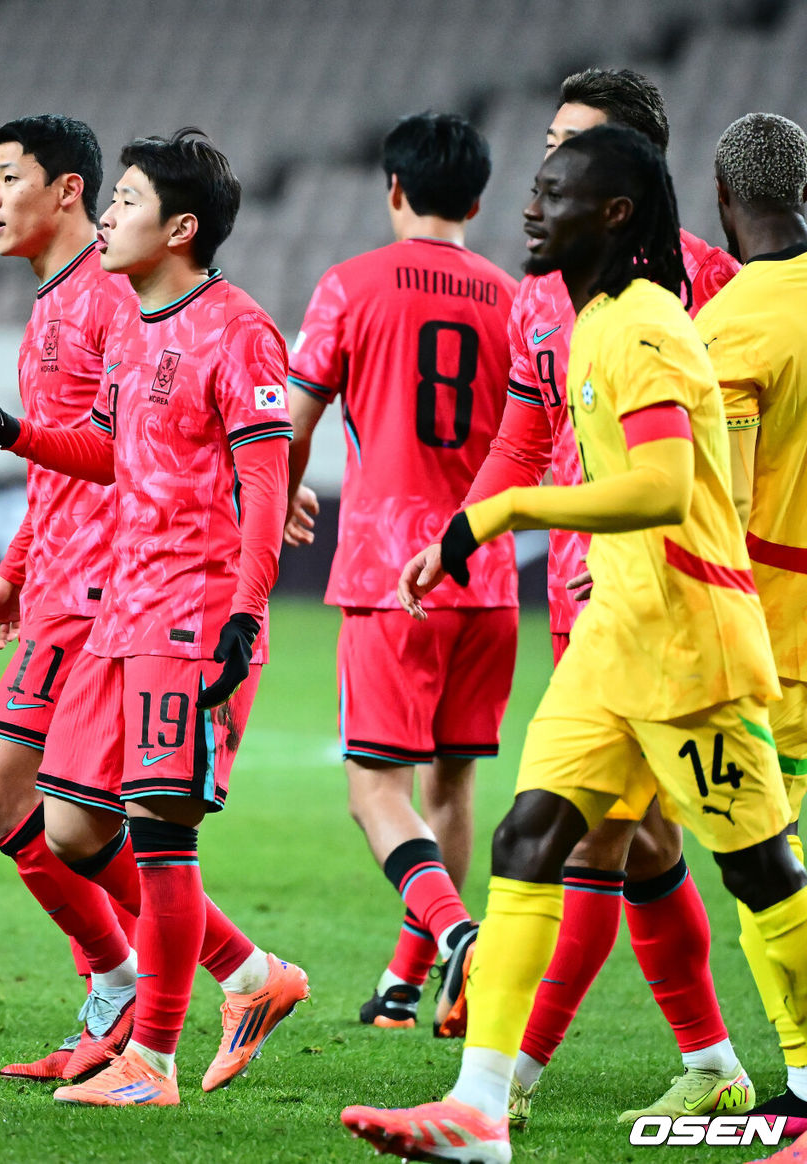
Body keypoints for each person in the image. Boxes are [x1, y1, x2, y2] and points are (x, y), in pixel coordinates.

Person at [341, 123, 807, 1164]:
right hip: (615, 638)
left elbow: (663, 485)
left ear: (614, 216)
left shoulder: (644, 325)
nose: (528, 208)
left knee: (761, 872)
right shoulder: (586, 318)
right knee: (527, 840)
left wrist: (501, 518)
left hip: (688, 643)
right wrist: (466, 523)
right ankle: (477, 1109)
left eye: (553, 192)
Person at [0, 128, 308, 1107]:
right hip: (119, 604)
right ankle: (250, 979)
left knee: (150, 833)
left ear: (175, 225)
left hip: (180, 610)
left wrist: (245, 611)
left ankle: (151, 1059)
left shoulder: (226, 326)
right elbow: (111, 455)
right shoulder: (136, 323)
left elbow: (260, 479)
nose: (106, 222)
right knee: (76, 829)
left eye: (123, 202)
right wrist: (4, 435)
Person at [448, 68, 747, 1127]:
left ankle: (504, 1081)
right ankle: (712, 1062)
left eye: (570, 148)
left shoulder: (708, 286)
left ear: (625, 178)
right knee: (643, 843)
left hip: (681, 602)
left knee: (595, 839)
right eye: (546, 144)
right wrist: (464, 537)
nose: (545, 169)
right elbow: (527, 434)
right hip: (588, 599)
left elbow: (723, 457)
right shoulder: (541, 293)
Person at [284, 112, 518, 1031]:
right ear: (478, 197)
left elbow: (293, 420)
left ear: (393, 188)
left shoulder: (349, 285)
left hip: (390, 576)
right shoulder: (515, 299)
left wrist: (284, 501)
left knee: (374, 791)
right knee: (451, 789)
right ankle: (406, 984)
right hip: (489, 576)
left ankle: (462, 939)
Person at [0, 114, 143, 1084]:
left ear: (67, 189)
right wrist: (14, 564)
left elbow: (138, 445)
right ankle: (123, 997)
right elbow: (57, 471)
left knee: (9, 792)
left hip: (106, 586)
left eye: (7, 177)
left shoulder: (112, 299)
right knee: (67, 815)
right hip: (61, 579)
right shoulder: (52, 305)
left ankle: (167, 974)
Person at [693, 111, 807, 1147]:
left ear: (725, 201)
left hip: (775, 647)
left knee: (760, 865)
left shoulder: (734, 325)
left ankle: (806, 1080)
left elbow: (718, 503)